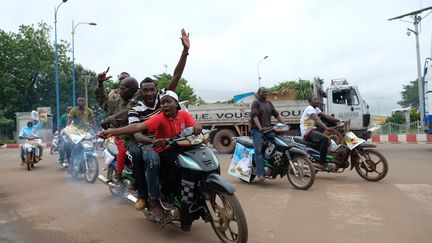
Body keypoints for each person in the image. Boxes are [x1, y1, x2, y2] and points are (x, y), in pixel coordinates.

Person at [99, 28, 191, 213]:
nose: (149, 93)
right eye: (145, 90)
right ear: (140, 91)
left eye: (152, 90)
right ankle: (150, 198)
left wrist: (185, 51)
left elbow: (176, 76)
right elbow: (137, 131)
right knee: (148, 158)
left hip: (165, 139)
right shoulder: (135, 107)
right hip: (143, 141)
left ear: (157, 90)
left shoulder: (162, 100)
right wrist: (152, 141)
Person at [98, 91, 202, 230]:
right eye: (163, 102)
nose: (165, 104)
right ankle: (155, 199)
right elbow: (137, 127)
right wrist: (112, 131)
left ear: (176, 104)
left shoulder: (183, 114)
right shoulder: (157, 117)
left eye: (168, 101)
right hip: (161, 150)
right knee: (156, 162)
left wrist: (197, 124)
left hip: (180, 148)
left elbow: (193, 123)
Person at [250, 87, 285, 183]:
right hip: (257, 130)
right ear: (258, 93)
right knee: (258, 150)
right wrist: (260, 128)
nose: (265, 93)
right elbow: (254, 116)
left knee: (278, 144)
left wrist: (284, 124)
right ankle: (260, 173)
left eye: (266, 92)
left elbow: (276, 114)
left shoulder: (269, 103)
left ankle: (272, 166)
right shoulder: (256, 103)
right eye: (262, 92)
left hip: (268, 130)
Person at [300, 96, 340, 170]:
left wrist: (339, 121)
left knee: (326, 141)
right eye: (314, 99)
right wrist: (326, 128)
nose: (317, 101)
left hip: (312, 131)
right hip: (307, 133)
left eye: (317, 99)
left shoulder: (316, 109)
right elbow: (317, 119)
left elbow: (327, 117)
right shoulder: (310, 108)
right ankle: (321, 163)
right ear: (310, 102)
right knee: (325, 139)